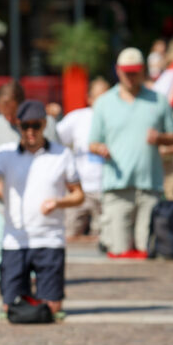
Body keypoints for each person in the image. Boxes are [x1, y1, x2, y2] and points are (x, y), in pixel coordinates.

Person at [0, 100, 83, 317]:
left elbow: (78, 195)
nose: (31, 132)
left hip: (49, 239)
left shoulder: (62, 154)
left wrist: (58, 202)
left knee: (52, 308)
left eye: (36, 126)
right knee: (11, 308)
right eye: (25, 126)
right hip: (15, 240)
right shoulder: (5, 153)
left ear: (44, 125)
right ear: (18, 125)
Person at [89, 47, 173, 258]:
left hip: (150, 186)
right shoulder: (104, 103)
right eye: (126, 71)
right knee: (119, 251)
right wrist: (101, 149)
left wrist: (160, 138)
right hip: (117, 187)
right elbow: (92, 143)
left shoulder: (158, 100)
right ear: (118, 71)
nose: (130, 76)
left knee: (147, 251)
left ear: (143, 71)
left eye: (134, 71)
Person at [56, 77, 110, 240]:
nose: (102, 102)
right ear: (89, 98)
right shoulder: (77, 117)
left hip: (106, 188)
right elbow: (55, 139)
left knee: (103, 237)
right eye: (98, 97)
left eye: (106, 97)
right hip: (80, 188)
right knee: (71, 234)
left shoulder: (117, 119)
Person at [0, 80, 58, 178]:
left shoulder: (46, 123)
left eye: (14, 114)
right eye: (5, 114)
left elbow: (57, 159)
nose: (10, 118)